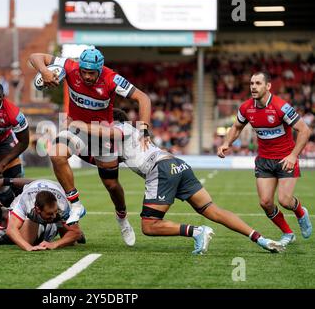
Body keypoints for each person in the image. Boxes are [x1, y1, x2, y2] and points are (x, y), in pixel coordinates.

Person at [69, 108, 285, 254]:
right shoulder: (128, 137)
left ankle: (197, 232)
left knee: (149, 226)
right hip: (177, 164)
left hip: (160, 170)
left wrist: (76, 124)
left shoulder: (124, 129)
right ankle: (260, 239)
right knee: (213, 210)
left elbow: (106, 133)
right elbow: (98, 157)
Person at [29, 48, 152, 246]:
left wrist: (144, 129)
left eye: (91, 73)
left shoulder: (112, 79)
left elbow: (143, 98)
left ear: (100, 70)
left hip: (101, 133)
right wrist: (44, 71)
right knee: (56, 154)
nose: (86, 76)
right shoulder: (70, 66)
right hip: (75, 128)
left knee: (112, 185)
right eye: (84, 72)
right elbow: (35, 56)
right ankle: (76, 204)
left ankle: (122, 218)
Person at [217, 71, 312, 246]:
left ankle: (300, 212)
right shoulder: (246, 107)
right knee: (266, 202)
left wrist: (293, 156)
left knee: (284, 200)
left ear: (268, 86)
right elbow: (236, 127)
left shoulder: (280, 107)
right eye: (252, 83)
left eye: (258, 83)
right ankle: (288, 233)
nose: (253, 87)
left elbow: (305, 130)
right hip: (264, 160)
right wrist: (226, 143)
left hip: (286, 159)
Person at [0, 178, 86, 251]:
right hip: (29, 211)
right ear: (37, 209)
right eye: (50, 213)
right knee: (26, 238)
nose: (53, 215)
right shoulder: (24, 203)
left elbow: (76, 232)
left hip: (53, 189)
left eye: (54, 212)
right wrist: (29, 247)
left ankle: (65, 226)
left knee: (71, 238)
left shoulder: (62, 206)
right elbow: (11, 230)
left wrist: (55, 244)